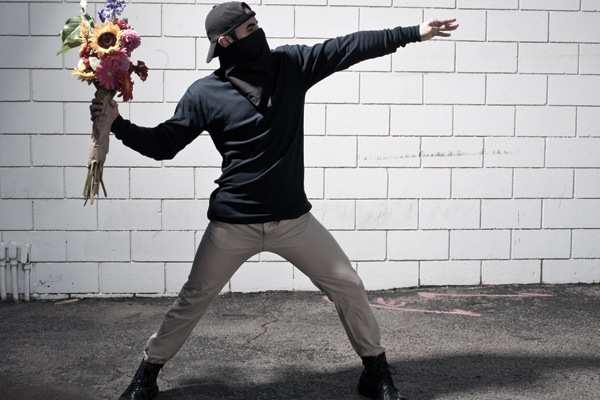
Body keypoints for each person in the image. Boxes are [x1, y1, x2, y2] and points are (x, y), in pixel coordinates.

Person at [90, 3, 458, 399]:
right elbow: (164, 144)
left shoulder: (291, 65)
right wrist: (118, 124)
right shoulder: (205, 93)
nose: (259, 32)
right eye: (250, 28)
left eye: (256, 24)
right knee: (192, 300)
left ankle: (375, 372)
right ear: (225, 41)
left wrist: (413, 32)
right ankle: (146, 376)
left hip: (293, 222)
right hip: (233, 224)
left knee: (348, 285)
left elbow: (349, 47)